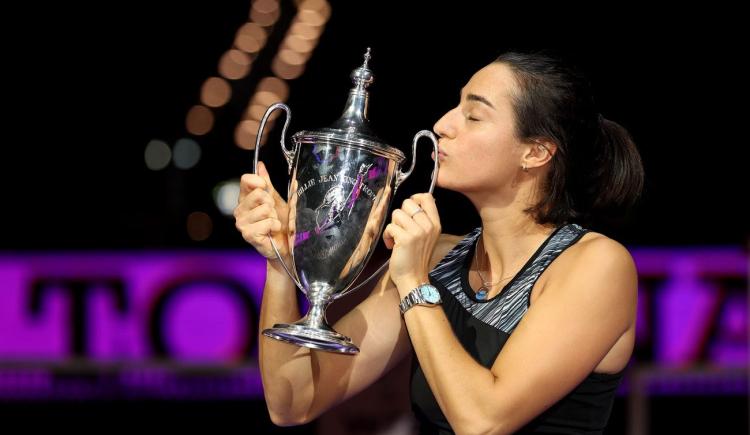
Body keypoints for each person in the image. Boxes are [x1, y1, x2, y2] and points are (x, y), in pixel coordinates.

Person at [234, 50, 644, 434]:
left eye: (474, 116)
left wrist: (414, 281)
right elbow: (292, 402)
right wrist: (282, 263)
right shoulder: (440, 259)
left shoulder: (594, 264)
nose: (443, 125)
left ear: (535, 152)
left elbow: (483, 421)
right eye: (456, 107)